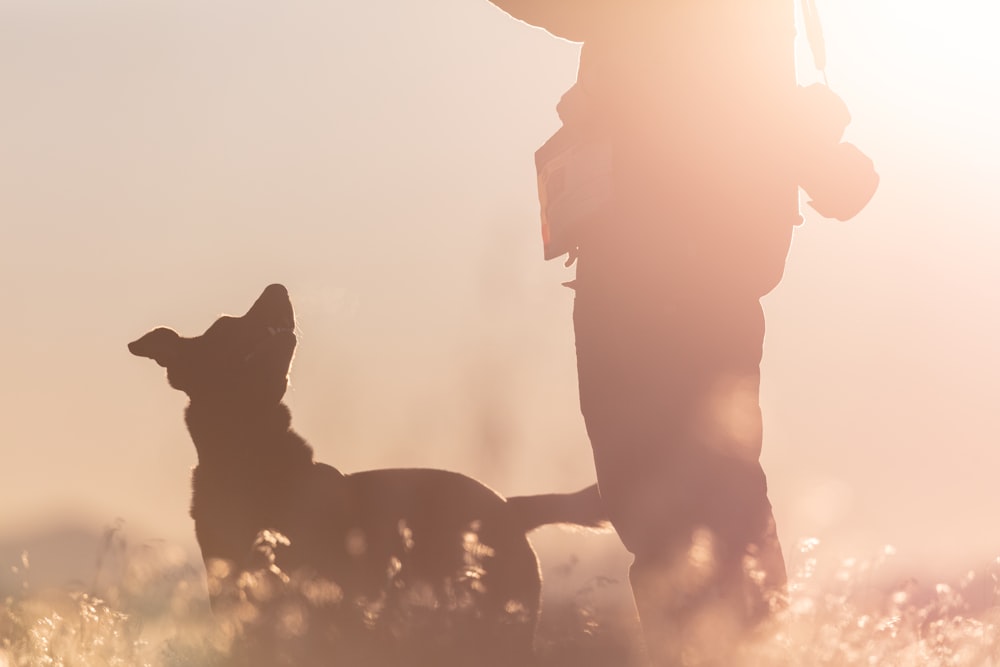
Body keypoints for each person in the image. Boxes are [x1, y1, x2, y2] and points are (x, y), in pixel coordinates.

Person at [487, 2, 877, 665]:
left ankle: (735, 649)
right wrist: (819, 156)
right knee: (684, 499)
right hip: (656, 271)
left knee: (689, 500)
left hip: (666, 275)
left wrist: (814, 153)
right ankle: (740, 648)